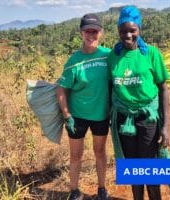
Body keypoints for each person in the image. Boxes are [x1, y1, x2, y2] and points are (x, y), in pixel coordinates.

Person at [108, 6, 170, 200]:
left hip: (147, 120)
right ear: (118, 31)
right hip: (123, 122)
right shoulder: (113, 57)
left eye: (132, 30)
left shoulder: (151, 54)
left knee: (150, 168)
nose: (127, 35)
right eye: (123, 31)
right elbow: (110, 89)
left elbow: (163, 88)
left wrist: (166, 126)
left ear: (139, 29)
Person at [56, 13, 110, 200]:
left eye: (95, 32)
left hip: (101, 115)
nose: (91, 35)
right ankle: (74, 191)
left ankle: (102, 189)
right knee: (76, 155)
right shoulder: (73, 61)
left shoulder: (107, 56)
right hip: (77, 116)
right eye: (88, 31)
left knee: (100, 152)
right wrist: (67, 115)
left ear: (100, 33)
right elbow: (62, 90)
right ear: (81, 33)